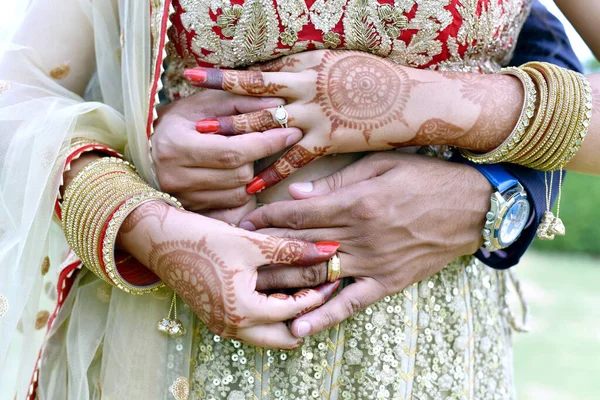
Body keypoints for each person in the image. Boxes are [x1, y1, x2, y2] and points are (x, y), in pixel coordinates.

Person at [0, 1, 588, 400]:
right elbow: (16, 92)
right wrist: (135, 216)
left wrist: (437, 104)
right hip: (175, 335)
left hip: (430, 351)